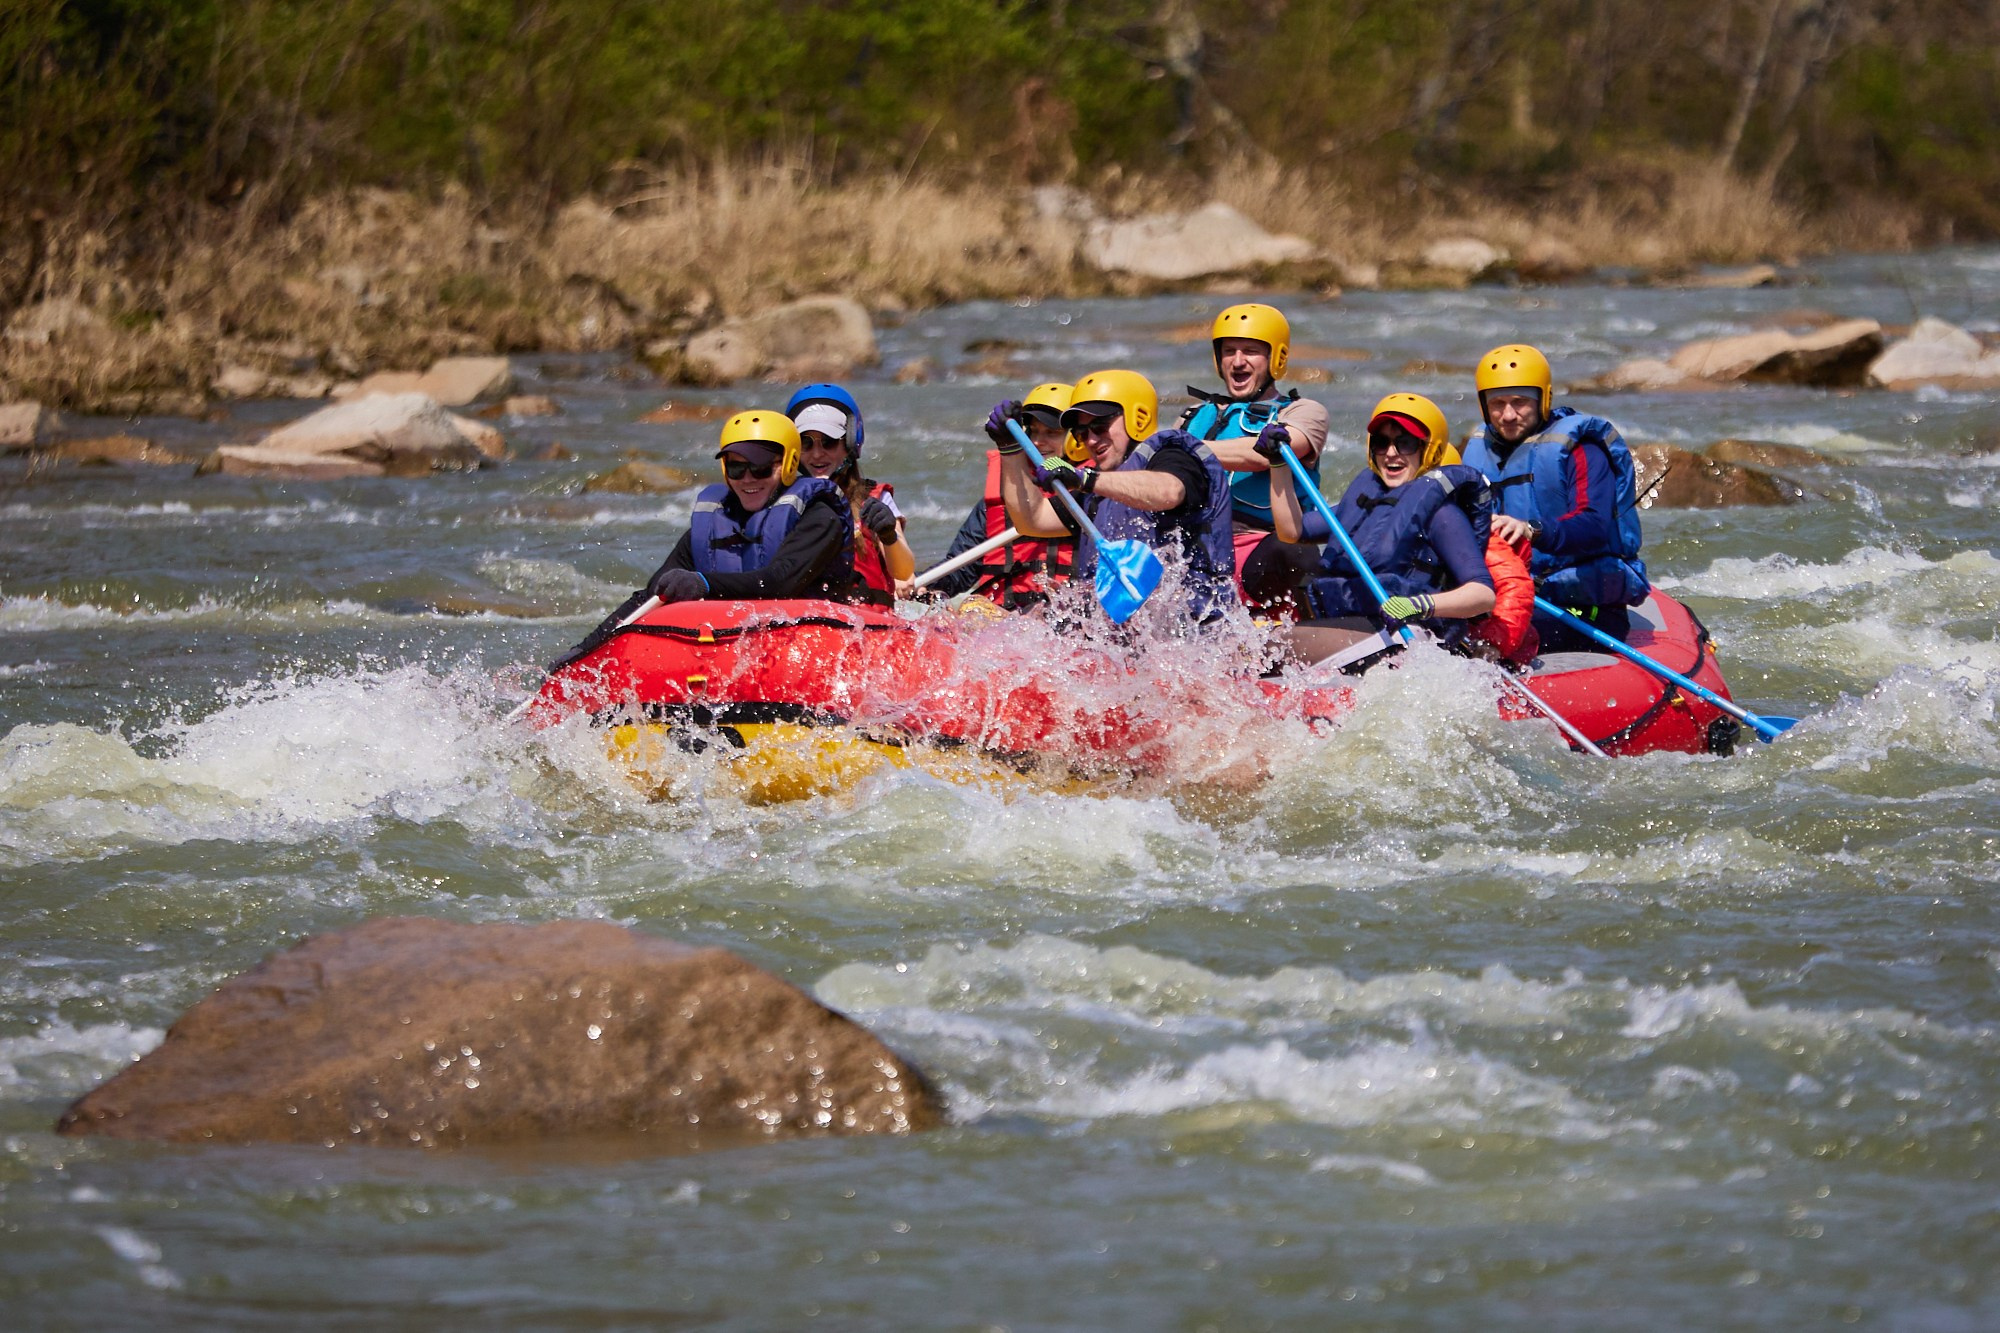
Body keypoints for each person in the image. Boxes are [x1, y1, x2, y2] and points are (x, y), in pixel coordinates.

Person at [554, 410, 854, 667]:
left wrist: (705, 584)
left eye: (761, 468)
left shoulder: (819, 517)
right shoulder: (714, 521)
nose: (748, 479)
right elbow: (653, 595)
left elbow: (778, 582)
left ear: (788, 464)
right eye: (737, 467)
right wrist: (585, 650)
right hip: (732, 653)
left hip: (808, 649)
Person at [1264, 393, 1494, 666]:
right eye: (1382, 443)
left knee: (1273, 648)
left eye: (1405, 443)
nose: (1391, 453)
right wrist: (1277, 464)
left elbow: (1483, 595)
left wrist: (1419, 605)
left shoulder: (1443, 515)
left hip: (1409, 633)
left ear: (1429, 449)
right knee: (1266, 645)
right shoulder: (1365, 505)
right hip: (1361, 625)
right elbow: (1291, 531)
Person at [994, 368, 1236, 624]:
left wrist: (1085, 479)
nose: (1091, 440)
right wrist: (1009, 449)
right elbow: (1033, 518)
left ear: (1138, 418)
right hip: (1122, 631)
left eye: (1100, 426)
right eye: (1081, 433)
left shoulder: (1173, 454)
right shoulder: (1097, 490)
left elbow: (1169, 491)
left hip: (1195, 625)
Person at [1460, 344, 1648, 652]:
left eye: (1519, 402)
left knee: (1493, 647)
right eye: (1497, 404)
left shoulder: (1581, 449)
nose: (1508, 415)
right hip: (1508, 597)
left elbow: (1594, 525)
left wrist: (1529, 529)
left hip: (1582, 609)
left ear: (1543, 399)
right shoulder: (1478, 450)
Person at [1175, 304, 1330, 612]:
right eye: (1229, 351)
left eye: (1250, 351)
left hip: (1261, 549)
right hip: (1198, 547)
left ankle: (1318, 626)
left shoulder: (1303, 413)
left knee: (1296, 553)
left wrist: (1185, 450)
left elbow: (1262, 455)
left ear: (1276, 358)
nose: (1238, 361)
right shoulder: (1191, 419)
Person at [925, 382, 1079, 607]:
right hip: (1004, 623)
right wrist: (922, 587)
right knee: (971, 609)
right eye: (1033, 431)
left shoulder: (1090, 498)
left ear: (1075, 439)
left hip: (1064, 619)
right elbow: (960, 570)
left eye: (1052, 433)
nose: (1037, 442)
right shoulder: (1003, 495)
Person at [785, 383, 914, 604]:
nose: (817, 454)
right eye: (806, 443)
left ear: (850, 443)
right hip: (809, 620)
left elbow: (904, 572)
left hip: (867, 620)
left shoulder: (876, 499)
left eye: (829, 442)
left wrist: (888, 536)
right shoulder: (783, 500)